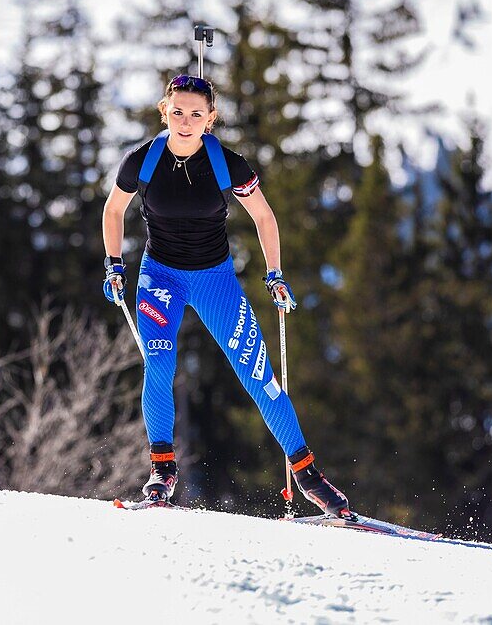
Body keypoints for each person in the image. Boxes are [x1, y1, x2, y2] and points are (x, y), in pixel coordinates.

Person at [101, 73, 350, 517]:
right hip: (160, 278)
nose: (185, 120)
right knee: (159, 364)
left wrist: (274, 274)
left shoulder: (227, 164)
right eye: (177, 111)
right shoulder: (141, 161)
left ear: (210, 119)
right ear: (164, 110)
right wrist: (114, 263)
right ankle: (162, 470)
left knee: (258, 376)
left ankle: (308, 475)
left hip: (215, 280)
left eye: (196, 114)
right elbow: (114, 209)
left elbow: (265, 217)